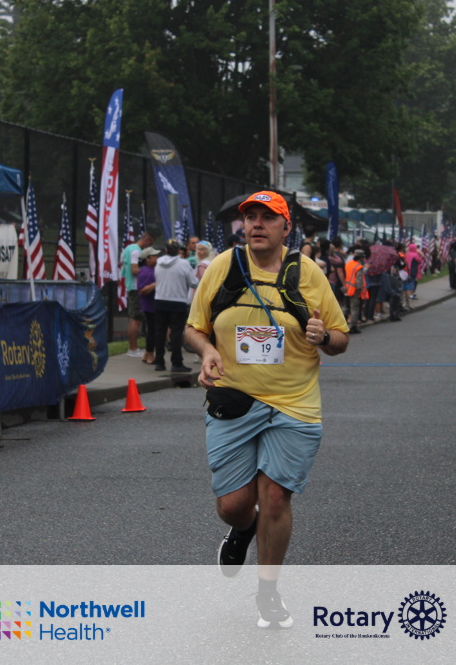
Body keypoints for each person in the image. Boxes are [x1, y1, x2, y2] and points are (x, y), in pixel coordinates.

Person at [184, 190, 349, 629]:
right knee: (233, 505)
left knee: (275, 496)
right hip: (234, 400)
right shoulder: (223, 267)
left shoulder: (308, 273)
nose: (256, 224)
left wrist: (322, 336)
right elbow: (193, 328)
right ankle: (243, 529)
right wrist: (206, 351)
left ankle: (268, 592)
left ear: (286, 227)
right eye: (250, 217)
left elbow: (340, 339)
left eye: (267, 218)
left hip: (293, 404)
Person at [152, 239, 197, 373]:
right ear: (178, 250)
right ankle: (176, 362)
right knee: (176, 333)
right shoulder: (183, 264)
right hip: (177, 301)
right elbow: (193, 282)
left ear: (166, 250)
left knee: (159, 332)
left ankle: (159, 362)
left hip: (160, 299)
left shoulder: (159, 263)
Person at [121, 232, 155, 358]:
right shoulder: (136, 251)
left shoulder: (129, 248)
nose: (148, 246)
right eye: (149, 243)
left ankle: (132, 347)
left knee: (133, 318)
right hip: (136, 287)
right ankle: (133, 348)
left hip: (132, 286)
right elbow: (134, 270)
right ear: (146, 240)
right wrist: (147, 273)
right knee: (136, 320)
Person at [136, 247, 161, 364]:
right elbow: (143, 290)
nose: (157, 257)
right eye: (155, 256)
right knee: (153, 330)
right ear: (148, 258)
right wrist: (156, 283)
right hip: (150, 306)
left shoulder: (153, 270)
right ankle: (150, 353)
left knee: (152, 329)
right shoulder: (145, 272)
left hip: (152, 305)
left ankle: (147, 353)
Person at [344, 248, 368, 333]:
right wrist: (358, 291)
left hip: (346, 289)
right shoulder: (359, 267)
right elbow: (359, 281)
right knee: (354, 309)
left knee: (346, 307)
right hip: (354, 290)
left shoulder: (348, 264)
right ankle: (353, 326)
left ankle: (342, 324)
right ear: (361, 257)